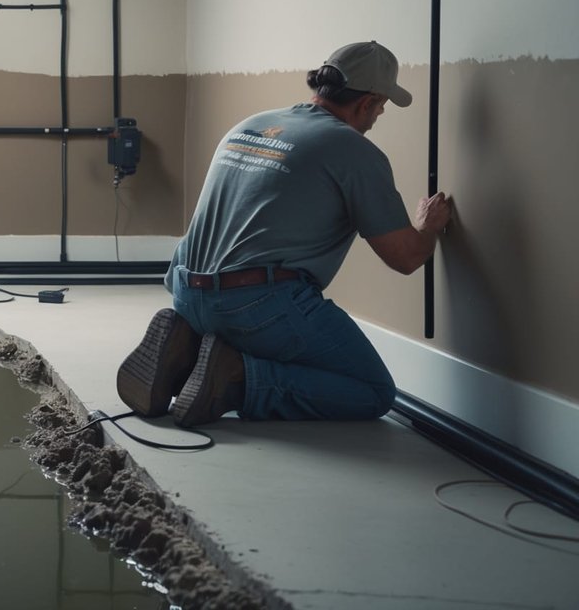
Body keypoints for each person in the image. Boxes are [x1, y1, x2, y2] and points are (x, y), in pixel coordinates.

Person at [117, 41, 454, 427]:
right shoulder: (354, 150)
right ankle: (237, 377)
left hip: (185, 292)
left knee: (246, 319)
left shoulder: (252, 125)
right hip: (252, 305)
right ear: (366, 102)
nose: (378, 116)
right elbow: (405, 257)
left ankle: (189, 349)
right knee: (373, 391)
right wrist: (427, 226)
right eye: (381, 107)